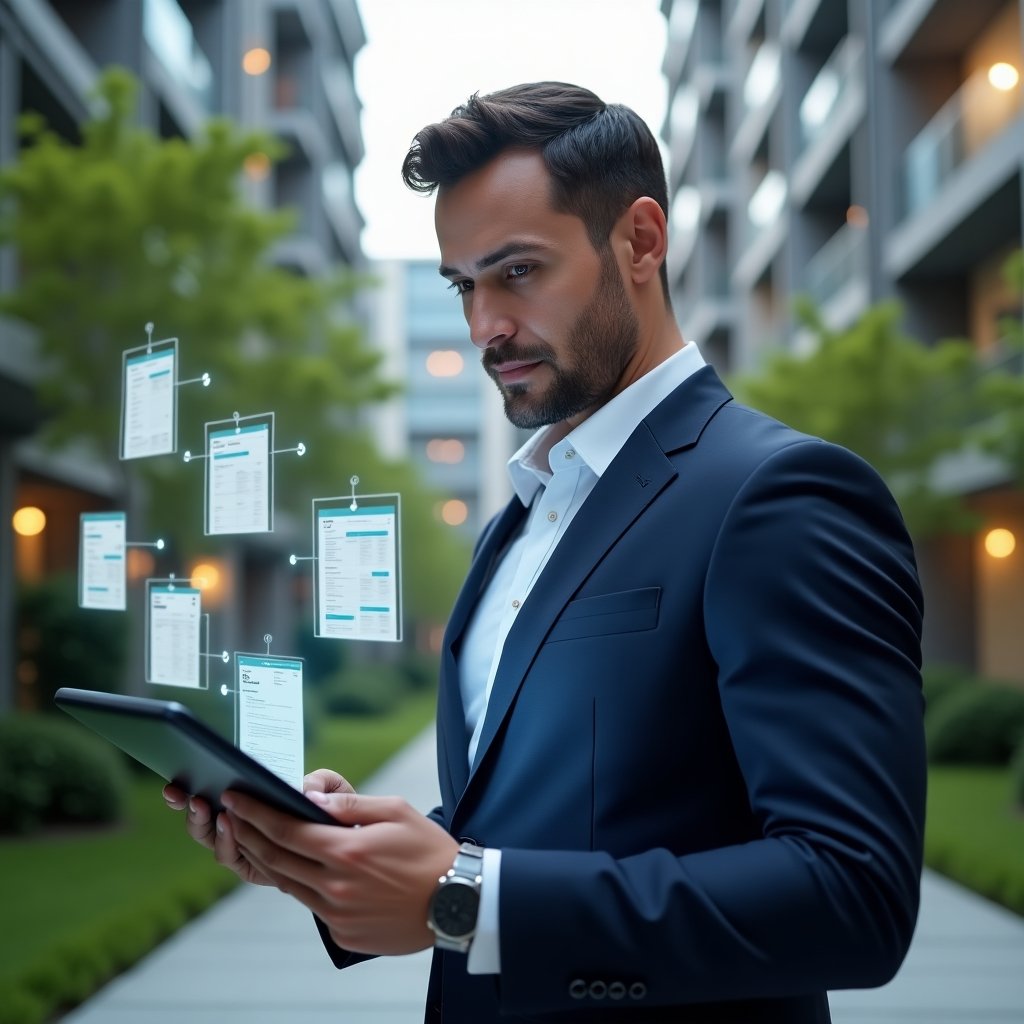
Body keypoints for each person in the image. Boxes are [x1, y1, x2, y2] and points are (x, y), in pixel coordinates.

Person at [164, 82, 926, 1023]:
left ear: (640, 243)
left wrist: (467, 903)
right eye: (463, 286)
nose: (484, 325)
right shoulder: (518, 521)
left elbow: (854, 896)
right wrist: (344, 853)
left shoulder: (782, 495)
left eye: (517, 272)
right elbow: (516, 828)